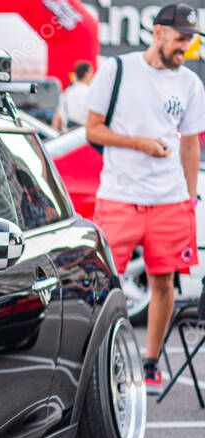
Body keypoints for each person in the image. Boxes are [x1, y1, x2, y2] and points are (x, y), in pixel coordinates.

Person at [85, 2, 205, 393]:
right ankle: (99, 362)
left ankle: (151, 363)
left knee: (164, 283)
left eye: (190, 41)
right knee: (103, 286)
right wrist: (137, 143)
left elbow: (190, 145)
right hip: (119, 198)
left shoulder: (190, 84)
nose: (184, 48)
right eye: (180, 39)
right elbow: (93, 131)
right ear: (157, 32)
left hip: (170, 201)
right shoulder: (117, 70)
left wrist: (189, 198)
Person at [52, 60, 94, 131]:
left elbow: (58, 118)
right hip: (84, 134)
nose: (93, 76)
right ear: (86, 74)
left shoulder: (68, 91)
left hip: (69, 133)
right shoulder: (89, 92)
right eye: (92, 73)